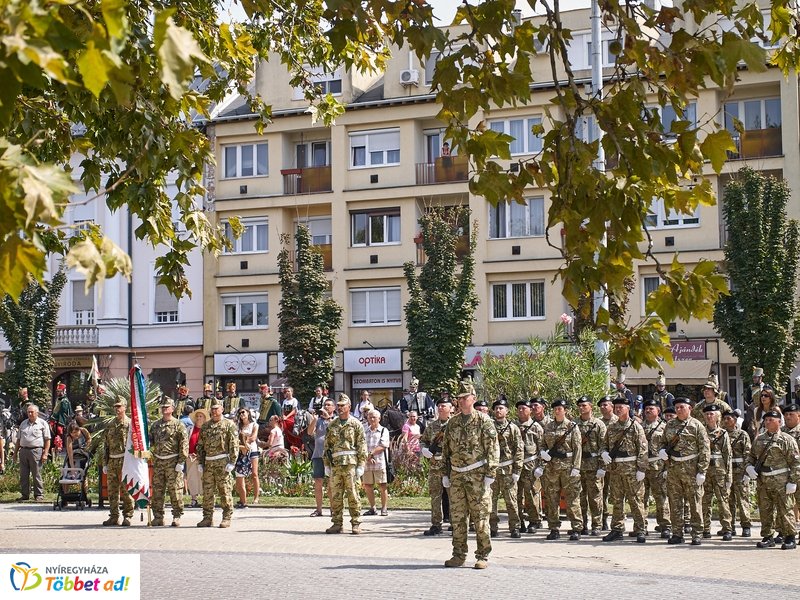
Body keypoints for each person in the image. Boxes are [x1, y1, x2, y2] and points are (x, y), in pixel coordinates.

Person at [441, 380, 499, 569]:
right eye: (459, 398)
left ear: (473, 399)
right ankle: (458, 554)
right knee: (457, 518)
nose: (462, 401)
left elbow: (493, 448)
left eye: (466, 398)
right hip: (457, 476)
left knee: (480, 517)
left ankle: (483, 555)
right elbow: (445, 451)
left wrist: (491, 472)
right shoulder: (452, 422)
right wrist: (445, 474)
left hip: (477, 476)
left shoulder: (484, 421)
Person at [659, 396, 710, 546]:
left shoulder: (697, 425)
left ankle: (696, 534)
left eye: (682, 407)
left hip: (691, 468)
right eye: (677, 407)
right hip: (674, 468)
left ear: (690, 409)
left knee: (695, 503)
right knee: (675, 503)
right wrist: (662, 451)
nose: (679, 410)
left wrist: (702, 471)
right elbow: (663, 442)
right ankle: (677, 533)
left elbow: (705, 449)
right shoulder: (670, 425)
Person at [746, 409, 800, 549]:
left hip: (781, 481)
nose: (767, 422)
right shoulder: (759, 439)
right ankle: (767, 536)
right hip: (764, 481)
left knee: (785, 509)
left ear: (779, 422)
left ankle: (789, 537)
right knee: (765, 509)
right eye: (766, 420)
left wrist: (793, 481)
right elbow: (751, 456)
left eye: (771, 420)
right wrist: (749, 468)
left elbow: (795, 463)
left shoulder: (787, 440)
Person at [601, 397, 648, 543]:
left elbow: (643, 449)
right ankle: (617, 529)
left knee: (635, 500)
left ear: (628, 408)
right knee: (617, 501)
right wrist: (604, 453)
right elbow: (604, 444)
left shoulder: (635, 426)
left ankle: (640, 529)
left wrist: (641, 468)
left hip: (632, 470)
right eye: (616, 407)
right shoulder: (612, 427)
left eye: (621, 407)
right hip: (616, 470)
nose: (618, 409)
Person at [538, 398, 583, 541]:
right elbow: (542, 444)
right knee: (552, 499)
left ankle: (576, 527)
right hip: (552, 468)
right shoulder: (548, 426)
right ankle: (554, 528)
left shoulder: (572, 426)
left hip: (568, 466)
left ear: (565, 410)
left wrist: (576, 467)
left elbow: (577, 448)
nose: (557, 410)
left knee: (572, 498)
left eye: (560, 408)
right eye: (555, 408)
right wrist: (543, 453)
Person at [323, 393, 367, 535]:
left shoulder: (355, 424)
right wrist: (327, 465)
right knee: (336, 495)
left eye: (343, 406)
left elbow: (361, 445)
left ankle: (356, 523)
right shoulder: (332, 424)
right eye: (339, 406)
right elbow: (327, 446)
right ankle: (337, 523)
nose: (340, 408)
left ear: (349, 407)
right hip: (336, 465)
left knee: (353, 494)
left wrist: (361, 465)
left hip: (351, 465)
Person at [196, 398, 238, 528]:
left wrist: (232, 461)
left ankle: (226, 517)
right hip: (209, 463)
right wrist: (200, 462)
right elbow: (200, 446)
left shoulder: (228, 424)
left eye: (216, 409)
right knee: (207, 492)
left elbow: (234, 444)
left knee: (224, 491)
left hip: (222, 462)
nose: (214, 411)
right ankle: (207, 518)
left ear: (222, 409)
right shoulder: (206, 426)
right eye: (212, 409)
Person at [149, 397, 189, 527]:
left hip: (173, 462)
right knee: (158, 491)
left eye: (167, 407)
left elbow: (184, 444)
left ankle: (177, 516)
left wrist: (181, 462)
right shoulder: (155, 425)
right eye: (163, 407)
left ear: (173, 408)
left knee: (175, 491)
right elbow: (150, 442)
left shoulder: (178, 425)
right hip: (159, 462)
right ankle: (158, 516)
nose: (165, 408)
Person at [489, 397, 522, 538]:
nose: (498, 410)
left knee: (512, 501)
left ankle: (514, 527)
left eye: (501, 408)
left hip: (508, 469)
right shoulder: (488, 427)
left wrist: (517, 470)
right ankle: (492, 527)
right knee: (491, 501)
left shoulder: (513, 428)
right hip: (492, 469)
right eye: (496, 408)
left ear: (507, 411)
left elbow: (519, 449)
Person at [701, 404, 733, 540]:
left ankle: (727, 528)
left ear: (717, 417)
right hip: (705, 471)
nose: (709, 416)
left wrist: (729, 476)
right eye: (707, 414)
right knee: (704, 500)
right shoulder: (701, 432)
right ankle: (706, 528)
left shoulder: (723, 434)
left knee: (723, 500)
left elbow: (728, 456)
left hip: (720, 471)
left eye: (712, 414)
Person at [421, 396, 452, 536]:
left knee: (454, 497)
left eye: (444, 406)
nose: (440, 408)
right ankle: (436, 524)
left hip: (451, 466)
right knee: (435, 497)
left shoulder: (455, 425)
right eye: (439, 405)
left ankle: (455, 523)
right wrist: (424, 450)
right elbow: (424, 441)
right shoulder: (432, 426)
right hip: (435, 465)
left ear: (451, 408)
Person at [576, 395, 607, 536]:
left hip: (594, 465)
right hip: (579, 465)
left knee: (595, 497)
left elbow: (603, 446)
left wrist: (602, 467)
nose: (582, 408)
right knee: (580, 497)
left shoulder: (598, 424)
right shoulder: (574, 424)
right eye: (580, 406)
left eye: (584, 405)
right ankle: (582, 524)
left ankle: (597, 525)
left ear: (591, 407)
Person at [641, 398, 670, 538]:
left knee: (661, 498)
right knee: (641, 498)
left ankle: (665, 526)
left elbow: (670, 448)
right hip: (642, 467)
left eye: (651, 408)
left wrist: (667, 469)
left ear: (658, 411)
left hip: (659, 466)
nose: (648, 411)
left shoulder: (665, 427)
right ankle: (641, 526)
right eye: (646, 408)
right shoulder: (638, 426)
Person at [102, 397, 134, 526]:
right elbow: (106, 446)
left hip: (125, 460)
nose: (117, 409)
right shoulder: (110, 424)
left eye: (119, 406)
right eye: (116, 406)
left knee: (126, 489)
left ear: (125, 407)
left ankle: (128, 515)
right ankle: (114, 516)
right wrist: (105, 463)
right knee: (112, 490)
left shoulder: (130, 424)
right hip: (112, 461)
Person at [514, 399, 543, 533]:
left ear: (530, 410)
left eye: (523, 408)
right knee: (516, 495)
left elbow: (542, 448)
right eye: (519, 408)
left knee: (531, 493)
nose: (521, 411)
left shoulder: (536, 427)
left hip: (530, 465)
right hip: (515, 466)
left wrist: (541, 466)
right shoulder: (513, 426)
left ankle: (534, 520)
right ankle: (519, 521)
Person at [722, 409, 751, 536]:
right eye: (725, 418)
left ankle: (746, 525)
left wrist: (747, 472)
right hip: (725, 471)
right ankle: (730, 525)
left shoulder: (742, 434)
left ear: (735, 420)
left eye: (729, 418)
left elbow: (748, 453)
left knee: (742, 498)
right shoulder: (721, 434)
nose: (726, 421)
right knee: (728, 499)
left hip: (739, 470)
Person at [15, 403, 51, 502]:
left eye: (32, 412)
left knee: (37, 474)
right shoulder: (23, 423)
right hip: (23, 451)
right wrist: (15, 453)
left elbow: (47, 440)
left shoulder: (42, 424)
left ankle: (39, 495)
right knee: (23, 474)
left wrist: (45, 453)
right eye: (28, 412)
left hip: (36, 451)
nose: (30, 414)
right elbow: (18, 440)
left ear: (37, 413)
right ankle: (25, 495)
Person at [307, 398, 336, 517]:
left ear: (334, 408)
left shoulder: (336, 420)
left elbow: (336, 432)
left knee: (331, 483)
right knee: (318, 482)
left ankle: (333, 509)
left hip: (331, 456)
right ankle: (318, 509)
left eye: (329, 405)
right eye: (325, 405)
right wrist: (314, 419)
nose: (326, 407)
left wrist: (328, 418)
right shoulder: (318, 420)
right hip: (318, 454)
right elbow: (309, 432)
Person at [362, 409, 390, 516]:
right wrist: (368, 457)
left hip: (380, 462)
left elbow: (383, 445)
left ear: (379, 418)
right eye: (370, 417)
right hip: (367, 463)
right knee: (368, 485)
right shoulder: (365, 430)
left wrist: (371, 454)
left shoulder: (384, 430)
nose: (372, 419)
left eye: (374, 417)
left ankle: (384, 507)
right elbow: (361, 445)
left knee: (382, 485)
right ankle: (372, 508)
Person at [597, 395, 617, 530]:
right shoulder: (598, 423)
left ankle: (617, 521)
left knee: (616, 494)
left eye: (606, 405)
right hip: (601, 463)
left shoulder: (618, 422)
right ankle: (603, 519)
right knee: (601, 493)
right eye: (601, 405)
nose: (603, 407)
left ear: (612, 406)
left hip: (617, 464)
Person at [234, 406, 260, 507]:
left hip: (252, 450)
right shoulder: (238, 426)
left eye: (243, 412)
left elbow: (253, 437)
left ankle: (256, 497)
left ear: (248, 413)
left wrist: (244, 440)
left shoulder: (254, 424)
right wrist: (243, 442)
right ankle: (243, 498)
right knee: (241, 475)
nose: (242, 414)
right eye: (240, 413)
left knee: (254, 474)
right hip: (241, 451)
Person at [62, 421, 91, 499]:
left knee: (84, 475)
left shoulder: (84, 431)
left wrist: (86, 447)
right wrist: (72, 469)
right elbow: (70, 454)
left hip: (83, 455)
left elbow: (89, 439)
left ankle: (85, 495)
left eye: (76, 432)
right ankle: (65, 496)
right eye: (73, 433)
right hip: (73, 456)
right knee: (66, 474)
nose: (75, 434)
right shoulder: (69, 438)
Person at [186, 408, 208, 509]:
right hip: (190, 457)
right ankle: (194, 499)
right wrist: (187, 454)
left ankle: (205, 499)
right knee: (192, 478)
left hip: (203, 458)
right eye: (197, 416)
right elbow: (185, 443)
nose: (199, 418)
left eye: (201, 416)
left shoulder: (206, 429)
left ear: (204, 418)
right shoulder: (190, 429)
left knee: (204, 478)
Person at [782, 403, 800, 526]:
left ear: (798, 415)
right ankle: (786, 531)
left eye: (791, 414)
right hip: (783, 472)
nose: (788, 417)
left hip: (798, 471)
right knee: (785, 504)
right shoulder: (780, 431)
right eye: (786, 414)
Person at [50, 382, 72, 455]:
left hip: (61, 418)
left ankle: (60, 444)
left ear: (63, 391)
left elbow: (63, 411)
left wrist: (55, 418)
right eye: (57, 391)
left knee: (59, 430)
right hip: (55, 417)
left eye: (60, 391)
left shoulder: (64, 400)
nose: (58, 393)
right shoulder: (58, 399)